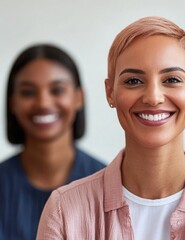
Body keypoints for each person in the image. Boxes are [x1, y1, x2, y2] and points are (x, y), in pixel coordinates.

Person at [37, 16, 185, 240]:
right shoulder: (65, 211)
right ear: (110, 93)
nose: (153, 97)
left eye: (172, 80)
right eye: (133, 81)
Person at [0, 44, 106, 240]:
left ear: (78, 98)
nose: (43, 103)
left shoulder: (109, 187)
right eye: (28, 93)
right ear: (12, 102)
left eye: (57, 90)